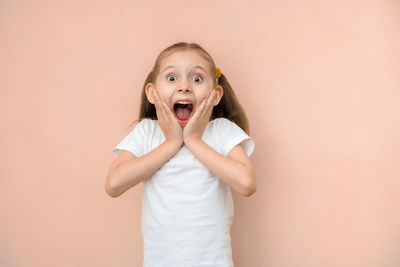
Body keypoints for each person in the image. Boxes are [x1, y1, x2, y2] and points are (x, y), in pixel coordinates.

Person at [105, 41, 257, 267]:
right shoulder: (147, 132)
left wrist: (193, 140)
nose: (184, 86)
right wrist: (172, 143)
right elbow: (114, 184)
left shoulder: (221, 131)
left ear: (215, 95)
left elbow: (247, 183)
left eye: (196, 79)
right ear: (153, 93)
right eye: (172, 78)